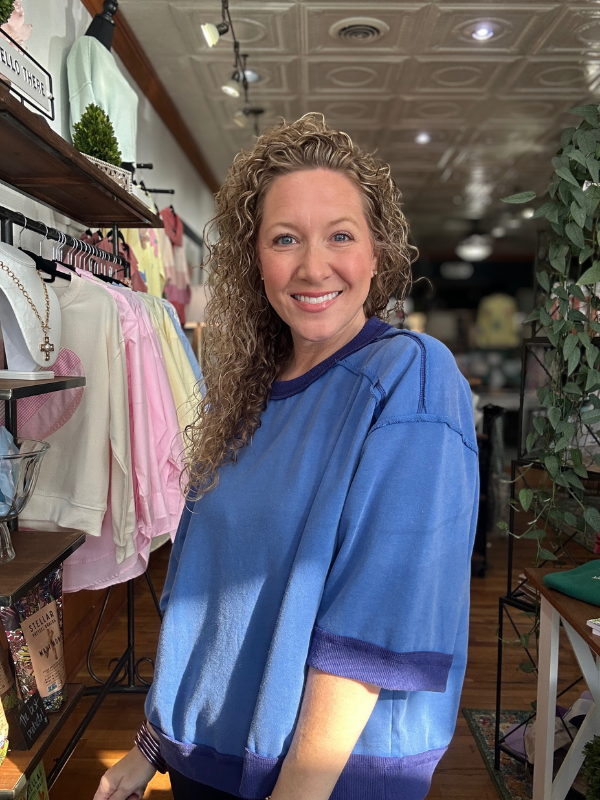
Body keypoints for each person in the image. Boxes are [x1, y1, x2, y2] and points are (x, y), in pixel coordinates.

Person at [94, 113, 479, 800]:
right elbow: (208, 592)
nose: (312, 266)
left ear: (378, 251)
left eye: (340, 235)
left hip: (320, 776)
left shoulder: (411, 376)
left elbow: (377, 618)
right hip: (209, 760)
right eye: (284, 239)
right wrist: (154, 744)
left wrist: (298, 790)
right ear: (254, 259)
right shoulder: (251, 394)